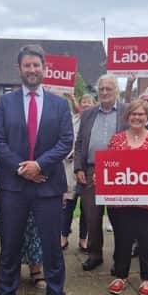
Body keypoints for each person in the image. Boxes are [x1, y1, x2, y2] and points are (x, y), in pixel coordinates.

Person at [0, 45, 73, 295]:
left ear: (44, 68)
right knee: (9, 245)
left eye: (37, 65)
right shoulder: (5, 103)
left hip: (47, 185)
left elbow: (65, 141)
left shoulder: (59, 104)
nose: (32, 70)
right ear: (19, 69)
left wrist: (40, 166)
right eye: (27, 65)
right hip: (14, 186)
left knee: (52, 247)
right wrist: (23, 169)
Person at [106, 100, 148, 295]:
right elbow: (109, 165)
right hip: (121, 202)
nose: (137, 117)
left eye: (141, 114)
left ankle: (146, 279)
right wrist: (101, 175)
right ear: (127, 117)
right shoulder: (116, 140)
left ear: (147, 117)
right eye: (133, 114)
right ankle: (120, 275)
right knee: (122, 239)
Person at [74, 74, 129, 272]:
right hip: (91, 170)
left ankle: (120, 259)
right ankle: (95, 254)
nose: (105, 92)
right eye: (102, 89)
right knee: (92, 216)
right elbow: (79, 142)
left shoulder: (126, 112)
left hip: (119, 171)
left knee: (119, 217)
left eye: (109, 89)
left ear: (117, 91)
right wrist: (79, 167)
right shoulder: (88, 114)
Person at [61, 94, 94, 253]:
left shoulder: (96, 121)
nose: (86, 104)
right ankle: (63, 236)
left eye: (89, 102)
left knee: (87, 207)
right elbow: (65, 139)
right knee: (68, 205)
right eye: (84, 102)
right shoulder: (72, 120)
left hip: (89, 169)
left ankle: (83, 239)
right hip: (71, 167)